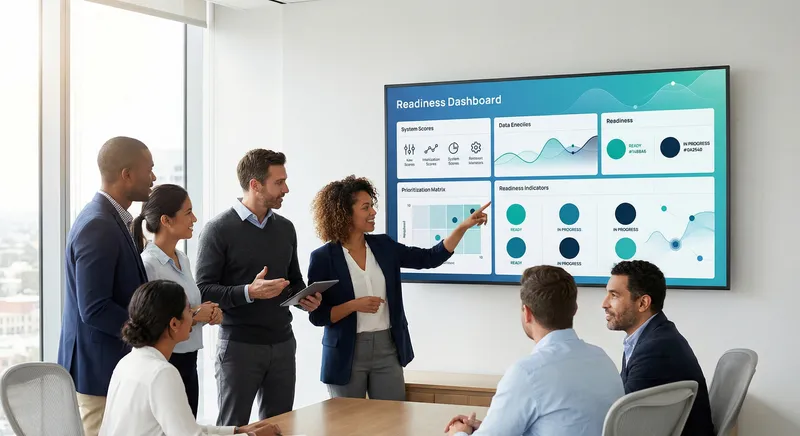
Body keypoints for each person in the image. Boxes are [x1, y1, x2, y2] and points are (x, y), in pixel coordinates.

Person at [307, 175, 489, 400]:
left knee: (392, 422)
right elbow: (318, 316)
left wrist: (462, 227)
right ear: (345, 213)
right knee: (345, 427)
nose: (373, 212)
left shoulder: (383, 246)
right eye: (366, 207)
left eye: (372, 206)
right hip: (345, 353)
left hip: (387, 348)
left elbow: (429, 258)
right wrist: (354, 306)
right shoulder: (323, 258)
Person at [196, 149, 322, 426]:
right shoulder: (218, 229)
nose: (286, 189)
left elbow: (293, 280)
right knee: (233, 426)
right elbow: (203, 290)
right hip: (239, 347)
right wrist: (248, 292)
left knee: (278, 427)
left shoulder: (286, 229)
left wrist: (304, 298)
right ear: (255, 185)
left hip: (283, 344)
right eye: (279, 182)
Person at [445, 265, 624, 436]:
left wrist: (458, 432)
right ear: (574, 310)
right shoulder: (602, 359)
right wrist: (491, 426)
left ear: (527, 313)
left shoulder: (527, 373)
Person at [57, 136, 155, 436]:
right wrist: (151, 331)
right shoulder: (98, 224)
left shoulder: (112, 219)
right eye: (148, 169)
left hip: (109, 367)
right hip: (97, 372)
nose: (153, 177)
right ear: (126, 174)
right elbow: (95, 308)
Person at [99, 280, 282, 436]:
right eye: (189, 311)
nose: (194, 316)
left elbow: (186, 428)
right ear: (174, 323)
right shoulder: (162, 373)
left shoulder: (128, 362)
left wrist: (237, 431)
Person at [134, 184, 222, 417]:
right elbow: (153, 320)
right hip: (167, 361)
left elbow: (187, 306)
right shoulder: (148, 265)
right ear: (166, 220)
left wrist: (208, 313)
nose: (194, 218)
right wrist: (195, 314)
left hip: (188, 360)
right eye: (188, 212)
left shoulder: (182, 258)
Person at [602, 260, 715, 436]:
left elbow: (622, 420)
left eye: (614, 295)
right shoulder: (654, 336)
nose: (605, 303)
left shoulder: (655, 349)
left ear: (643, 303)